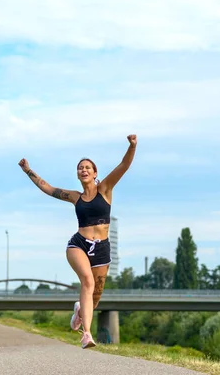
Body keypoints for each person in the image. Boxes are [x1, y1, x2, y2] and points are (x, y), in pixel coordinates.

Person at [18, 134, 137, 349]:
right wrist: (28, 171)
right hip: (79, 244)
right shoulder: (75, 197)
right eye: (80, 168)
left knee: (95, 297)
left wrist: (132, 145)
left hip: (102, 249)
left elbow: (124, 165)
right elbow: (47, 187)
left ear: (95, 173)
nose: (83, 170)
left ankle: (80, 311)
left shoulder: (106, 190)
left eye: (87, 167)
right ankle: (87, 335)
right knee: (87, 282)